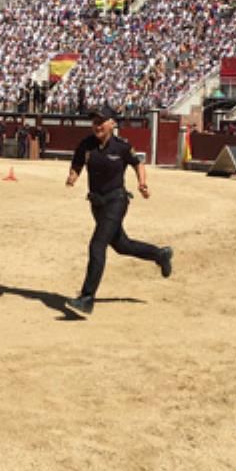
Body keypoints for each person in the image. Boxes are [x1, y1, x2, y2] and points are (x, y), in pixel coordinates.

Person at [63, 106, 172, 316]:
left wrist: (142, 184)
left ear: (112, 123)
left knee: (97, 244)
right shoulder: (86, 145)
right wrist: (73, 176)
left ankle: (87, 298)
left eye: (101, 121)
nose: (97, 125)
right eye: (94, 121)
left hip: (117, 200)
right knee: (121, 245)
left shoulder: (121, 146)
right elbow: (77, 165)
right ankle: (160, 254)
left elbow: (138, 164)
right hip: (97, 203)